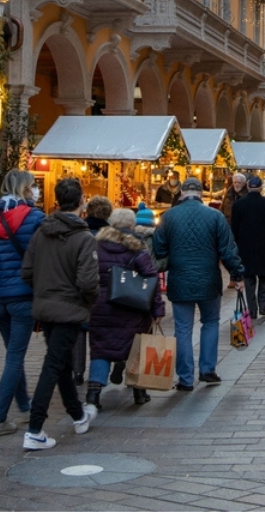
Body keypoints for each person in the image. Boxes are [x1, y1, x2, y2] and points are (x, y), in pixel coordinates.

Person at [20, 178, 100, 451]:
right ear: (81, 201)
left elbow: (27, 271)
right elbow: (89, 282)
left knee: (61, 362)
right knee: (53, 365)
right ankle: (34, 428)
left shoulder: (42, 232)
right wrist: (85, 301)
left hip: (46, 307)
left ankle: (78, 415)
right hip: (69, 308)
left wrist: (44, 289)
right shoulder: (83, 237)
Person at [152, 178, 244, 389]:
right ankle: (207, 370)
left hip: (180, 278)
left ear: (182, 193)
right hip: (209, 279)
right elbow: (228, 250)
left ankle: (185, 378)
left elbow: (159, 249)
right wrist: (237, 275)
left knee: (182, 328)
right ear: (201, 194)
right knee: (210, 322)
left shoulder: (168, 217)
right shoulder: (215, 216)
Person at [0, 169, 44, 436]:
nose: (36, 190)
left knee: (12, 355)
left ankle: (25, 405)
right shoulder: (36, 218)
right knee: (14, 358)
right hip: (24, 297)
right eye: (33, 186)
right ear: (25, 189)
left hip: (0, 299)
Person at [85, 208, 166, 409]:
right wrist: (157, 309)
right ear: (132, 225)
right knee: (135, 347)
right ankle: (139, 392)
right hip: (133, 306)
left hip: (101, 305)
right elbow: (151, 279)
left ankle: (93, 393)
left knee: (100, 349)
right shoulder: (137, 247)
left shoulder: (97, 246)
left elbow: (86, 275)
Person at [74, 195, 113, 385]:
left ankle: (78, 371)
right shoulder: (112, 235)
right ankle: (98, 375)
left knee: (80, 330)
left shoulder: (78, 231)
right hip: (104, 289)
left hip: (80, 287)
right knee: (102, 333)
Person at [231, 176, 265, 320]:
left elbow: (234, 228)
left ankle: (252, 310)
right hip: (264, 245)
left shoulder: (238, 204)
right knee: (264, 276)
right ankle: (263, 306)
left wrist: (235, 247)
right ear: (260, 187)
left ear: (247, 186)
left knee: (249, 278)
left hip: (245, 246)